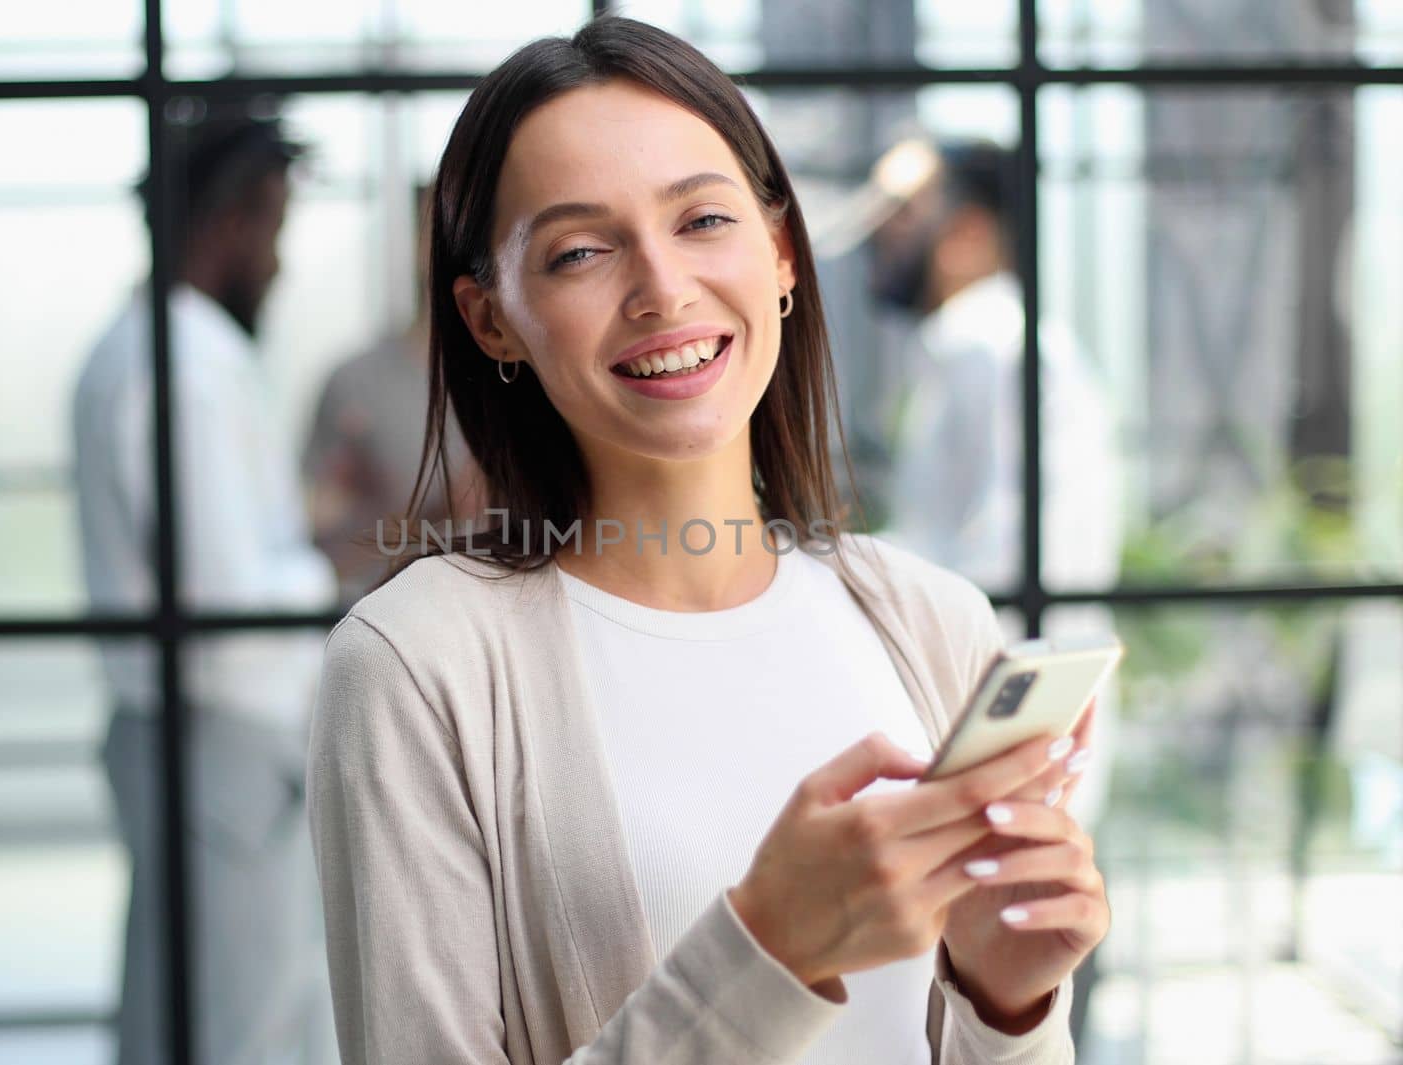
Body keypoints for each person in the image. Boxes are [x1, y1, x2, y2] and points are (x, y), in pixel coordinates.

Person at [307, 17, 1107, 1065]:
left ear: (779, 251)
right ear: (489, 316)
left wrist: (1004, 1009)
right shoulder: (416, 666)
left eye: (701, 220)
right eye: (581, 250)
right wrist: (766, 950)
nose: (662, 289)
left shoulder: (932, 620)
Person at [72, 104, 339, 1065]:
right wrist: (335, 566)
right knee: (241, 1028)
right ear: (230, 220)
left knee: (195, 1012)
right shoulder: (180, 364)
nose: (279, 264)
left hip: (200, 746)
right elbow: (220, 602)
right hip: (218, 744)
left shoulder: (149, 350)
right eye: (273, 230)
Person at [850, 133, 1125, 1041]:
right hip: (996, 735)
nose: (882, 234)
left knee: (1002, 989)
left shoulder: (993, 353)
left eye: (903, 213)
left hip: (992, 734)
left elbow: (1002, 565)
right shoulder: (974, 352)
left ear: (966, 232)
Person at [302, 182, 484, 608]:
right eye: (434, 232)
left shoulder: (530, 384)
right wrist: (427, 522)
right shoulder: (354, 383)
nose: (447, 250)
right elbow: (317, 550)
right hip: (381, 619)